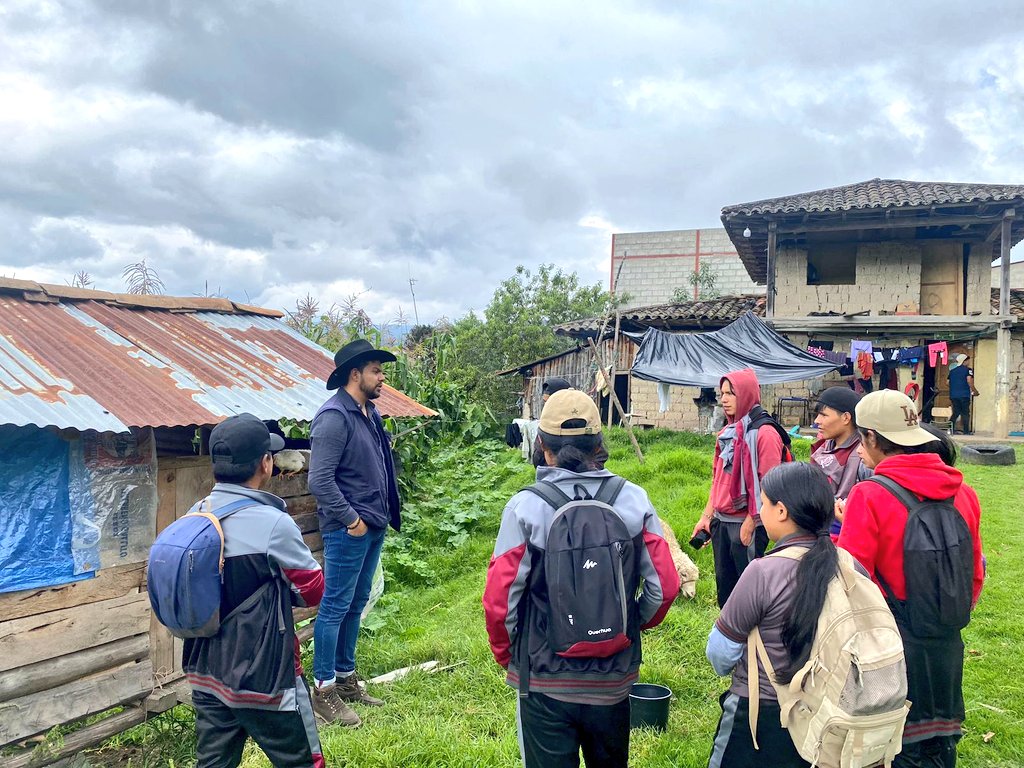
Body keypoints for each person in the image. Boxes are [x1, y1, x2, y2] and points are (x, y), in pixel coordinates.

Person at [483, 389, 680, 767]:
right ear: (599, 444)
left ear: (542, 444)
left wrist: (507, 654)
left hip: (543, 678)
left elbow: (499, 600)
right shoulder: (633, 499)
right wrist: (633, 621)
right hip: (614, 677)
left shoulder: (526, 506)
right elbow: (665, 586)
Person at [838, 390, 984, 768]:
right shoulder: (964, 493)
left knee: (892, 748)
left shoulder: (868, 495)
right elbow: (975, 575)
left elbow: (854, 580)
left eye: (860, 439)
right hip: (947, 645)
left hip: (891, 649)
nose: (858, 449)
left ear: (871, 437)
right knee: (939, 744)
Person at [183, 414, 326, 768]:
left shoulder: (195, 515)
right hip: (266, 677)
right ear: (265, 463)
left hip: (206, 673)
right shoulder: (273, 523)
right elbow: (313, 591)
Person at [705, 462, 843, 768]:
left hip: (759, 712)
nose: (760, 511)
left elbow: (720, 653)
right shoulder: (848, 567)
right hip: (825, 713)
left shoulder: (764, 571)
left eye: (763, 503)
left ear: (781, 511)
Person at [307, 339, 401, 726]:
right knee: (334, 606)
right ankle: (323, 690)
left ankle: (346, 679)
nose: (382, 378)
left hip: (372, 524)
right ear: (354, 374)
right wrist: (351, 520)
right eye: (376, 371)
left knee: (357, 601)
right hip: (349, 530)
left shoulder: (369, 412)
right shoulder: (334, 417)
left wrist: (376, 519)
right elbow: (320, 480)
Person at [691, 369, 786, 608]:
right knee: (726, 592)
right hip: (721, 522)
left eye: (731, 393)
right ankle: (730, 642)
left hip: (746, 524)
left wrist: (752, 521)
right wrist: (706, 517)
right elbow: (717, 480)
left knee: (749, 595)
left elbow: (771, 485)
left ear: (746, 394)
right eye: (722, 393)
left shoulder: (765, 434)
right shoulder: (727, 433)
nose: (724, 399)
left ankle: (752, 644)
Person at [808, 386, 868, 534]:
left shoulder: (863, 456)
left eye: (824, 415)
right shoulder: (824, 448)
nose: (817, 421)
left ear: (846, 418)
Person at [531, 378, 608, 470]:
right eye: (546, 402)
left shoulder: (585, 425)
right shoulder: (547, 428)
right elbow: (538, 459)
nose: (548, 405)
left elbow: (600, 457)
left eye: (552, 401)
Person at [947, 354, 979, 435]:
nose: (969, 362)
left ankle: (950, 429)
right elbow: (969, 380)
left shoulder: (952, 371)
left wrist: (955, 386)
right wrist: (974, 391)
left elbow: (947, 383)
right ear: (964, 361)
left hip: (953, 395)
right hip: (964, 395)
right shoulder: (968, 370)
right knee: (965, 413)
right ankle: (966, 431)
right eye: (968, 360)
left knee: (956, 412)